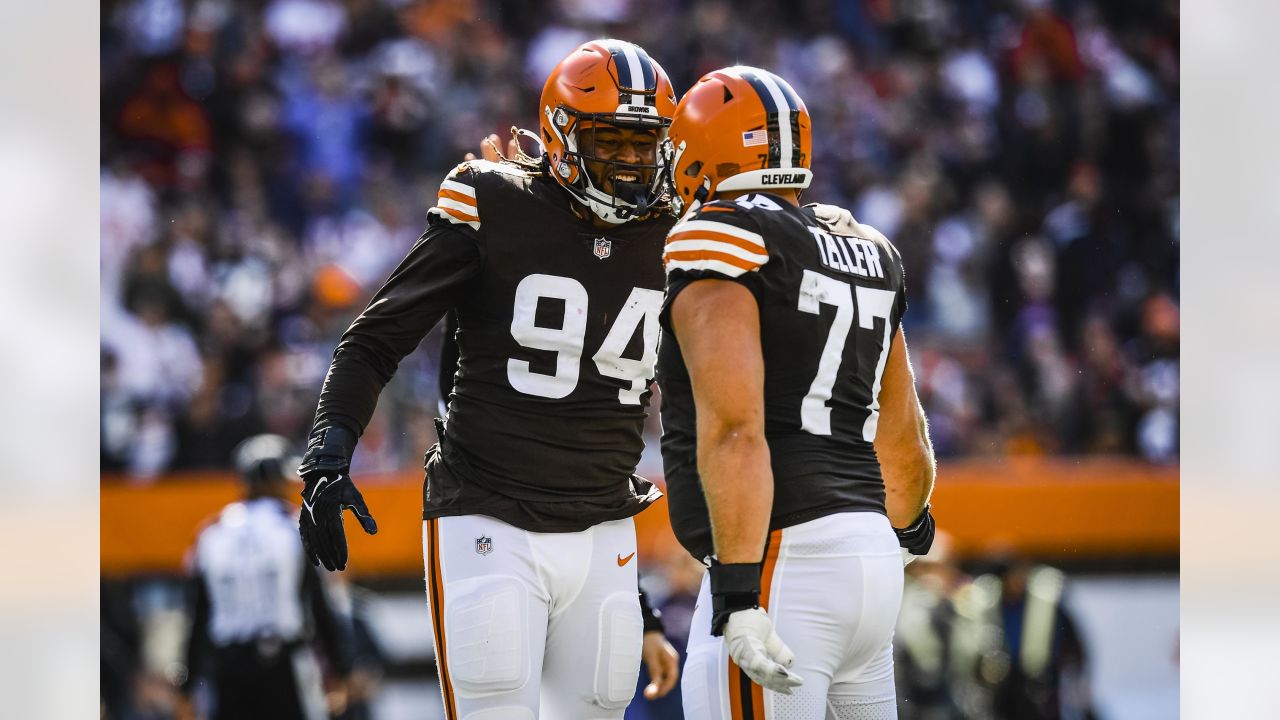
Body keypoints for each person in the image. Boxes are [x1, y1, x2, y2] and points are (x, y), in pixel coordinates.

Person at [296, 39, 682, 718]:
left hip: (605, 531)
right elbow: (377, 337)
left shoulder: (676, 232)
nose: (629, 160)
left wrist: (644, 605)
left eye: (642, 143)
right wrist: (328, 454)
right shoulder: (496, 200)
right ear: (564, 137)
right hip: (489, 514)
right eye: (611, 141)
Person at [656, 66, 938, 719]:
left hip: (780, 559)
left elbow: (734, 428)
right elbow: (904, 440)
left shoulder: (717, 237)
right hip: (869, 557)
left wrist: (737, 594)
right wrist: (907, 535)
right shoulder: (870, 249)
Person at [177, 434, 353, 720]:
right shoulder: (294, 526)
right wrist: (339, 669)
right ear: (275, 481)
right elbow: (320, 606)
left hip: (227, 670)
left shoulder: (211, 533)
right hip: (281, 665)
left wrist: (186, 685)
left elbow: (197, 615)